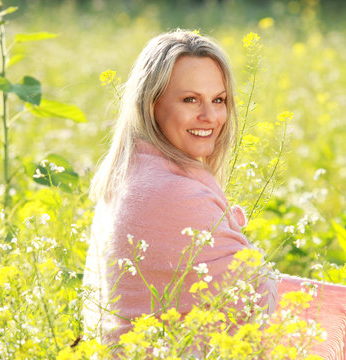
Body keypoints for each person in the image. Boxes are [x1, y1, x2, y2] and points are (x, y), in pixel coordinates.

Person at [83, 29, 346, 359]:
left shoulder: (130, 172)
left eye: (218, 100)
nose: (210, 117)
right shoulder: (169, 192)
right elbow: (255, 299)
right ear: (152, 104)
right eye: (190, 100)